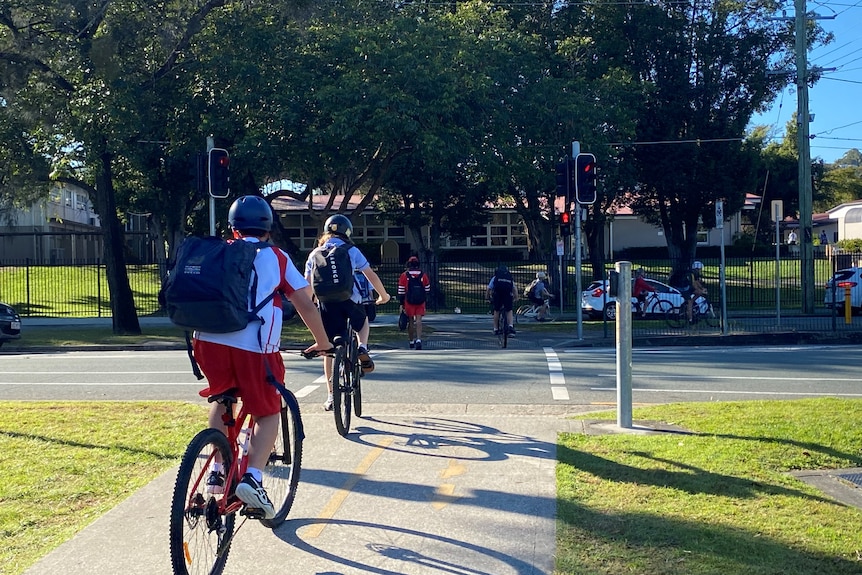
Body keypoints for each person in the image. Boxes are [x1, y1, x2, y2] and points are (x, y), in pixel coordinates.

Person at [192, 195, 330, 519]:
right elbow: (305, 303)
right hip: (254, 346)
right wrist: (323, 342)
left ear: (232, 228)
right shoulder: (277, 258)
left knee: (222, 399)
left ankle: (218, 469)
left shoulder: (217, 252)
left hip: (207, 341)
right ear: (268, 227)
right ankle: (253, 478)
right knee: (268, 410)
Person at [305, 214, 390, 411]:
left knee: (328, 349)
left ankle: (330, 396)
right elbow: (370, 275)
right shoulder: (351, 250)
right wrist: (383, 296)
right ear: (348, 232)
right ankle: (363, 347)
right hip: (350, 299)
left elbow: (308, 283)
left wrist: (311, 303)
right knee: (362, 321)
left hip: (326, 303)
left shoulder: (314, 253)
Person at [397, 256, 430, 349]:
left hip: (409, 302)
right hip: (420, 301)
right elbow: (427, 289)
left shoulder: (404, 275)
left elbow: (401, 291)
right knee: (419, 321)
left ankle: (411, 341)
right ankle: (419, 339)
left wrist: (401, 303)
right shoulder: (423, 275)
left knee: (411, 321)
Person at [487, 265, 516, 336]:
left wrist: (487, 297)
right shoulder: (509, 278)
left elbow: (489, 289)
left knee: (496, 311)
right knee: (509, 310)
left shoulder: (495, 278)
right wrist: (516, 297)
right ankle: (510, 326)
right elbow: (514, 289)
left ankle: (496, 329)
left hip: (498, 294)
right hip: (507, 294)